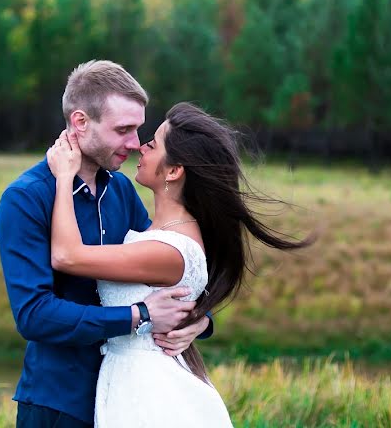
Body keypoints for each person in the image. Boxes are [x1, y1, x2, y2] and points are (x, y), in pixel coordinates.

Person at [46, 101, 312, 427]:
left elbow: (66, 256)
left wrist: (63, 177)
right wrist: (200, 317)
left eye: (153, 143)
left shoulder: (169, 250)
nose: (140, 145)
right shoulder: (161, 233)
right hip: (133, 381)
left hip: (148, 390)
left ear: (173, 171)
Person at [0, 61, 213, 428]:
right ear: (80, 122)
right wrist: (136, 316)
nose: (134, 143)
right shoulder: (25, 199)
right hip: (60, 403)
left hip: (131, 400)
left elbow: (162, 269)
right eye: (123, 130)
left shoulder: (122, 189)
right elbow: (33, 315)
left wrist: (200, 320)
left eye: (138, 130)